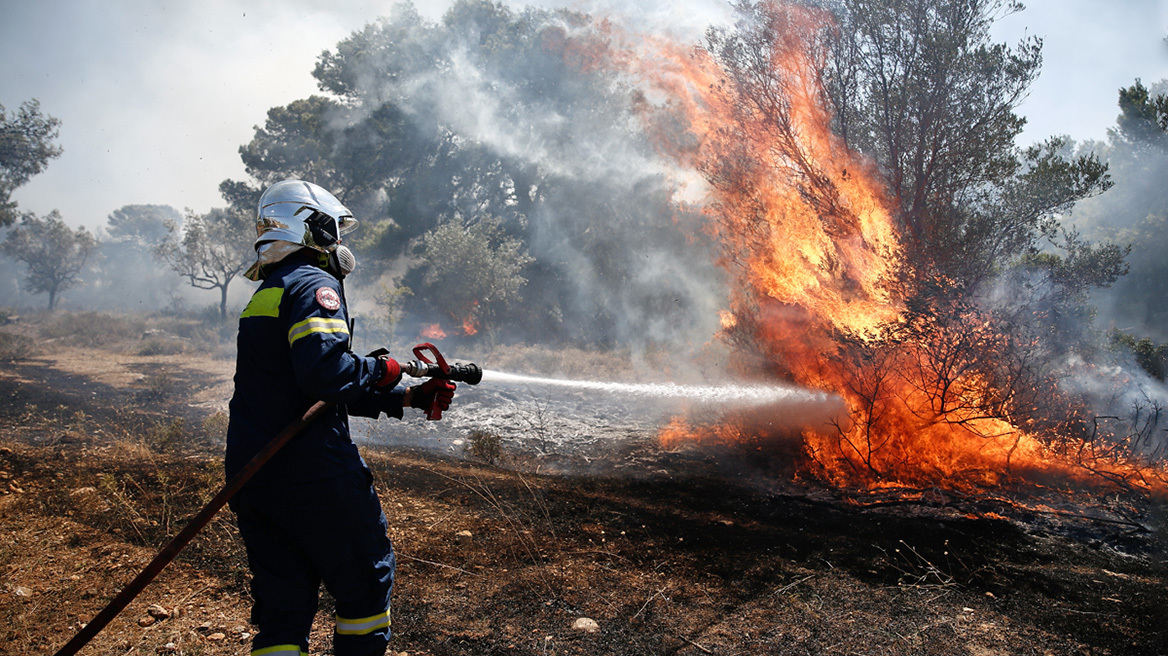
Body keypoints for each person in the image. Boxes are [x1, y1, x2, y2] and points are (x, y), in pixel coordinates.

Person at [225, 179, 455, 656]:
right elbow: (327, 376)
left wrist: (407, 399)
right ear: (311, 228)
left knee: (282, 611)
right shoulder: (314, 284)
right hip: (313, 474)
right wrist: (384, 367)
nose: (340, 244)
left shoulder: (270, 289)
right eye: (334, 230)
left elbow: (304, 391)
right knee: (365, 589)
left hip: (256, 476)